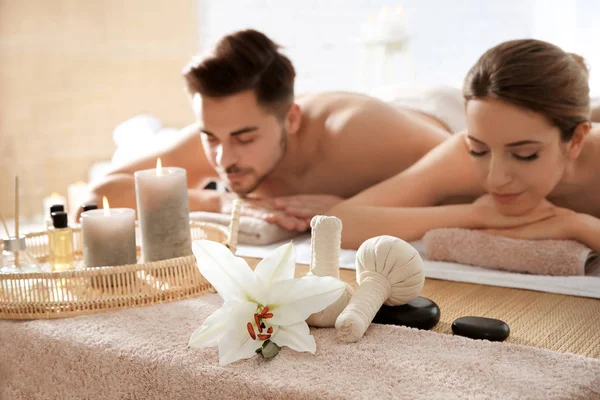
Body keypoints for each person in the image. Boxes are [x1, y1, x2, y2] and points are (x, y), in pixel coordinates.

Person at [80, 29, 457, 230]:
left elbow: (470, 166)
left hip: (436, 112)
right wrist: (217, 201)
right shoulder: (223, 133)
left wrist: (358, 209)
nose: (223, 160)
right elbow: (98, 196)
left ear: (292, 120)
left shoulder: (361, 135)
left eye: (245, 138)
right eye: (210, 136)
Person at [329, 39, 600, 252]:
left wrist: (577, 225)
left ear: (575, 140)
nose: (496, 178)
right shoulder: (461, 154)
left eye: (524, 154)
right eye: (479, 150)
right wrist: (477, 215)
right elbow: (340, 224)